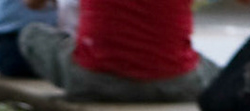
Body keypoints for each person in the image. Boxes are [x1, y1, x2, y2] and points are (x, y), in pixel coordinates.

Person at [18, 0, 218, 103]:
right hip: (176, 82)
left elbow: (33, 3)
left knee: (31, 34)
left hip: (95, 79)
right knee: (217, 70)